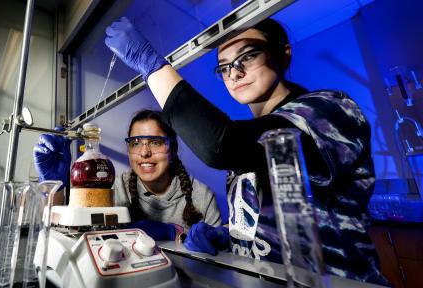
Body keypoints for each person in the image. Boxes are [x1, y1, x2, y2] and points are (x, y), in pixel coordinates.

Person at [104, 17, 387, 284]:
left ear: (283, 53)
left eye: (248, 56)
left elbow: (220, 145)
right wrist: (230, 236)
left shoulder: (328, 110)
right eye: (224, 66)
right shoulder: (248, 144)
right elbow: (263, 222)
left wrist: (149, 63)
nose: (235, 73)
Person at [33, 110, 221, 241]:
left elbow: (222, 263)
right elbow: (66, 234)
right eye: (136, 142)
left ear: (173, 150)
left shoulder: (202, 197)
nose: (145, 153)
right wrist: (54, 184)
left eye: (156, 142)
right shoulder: (112, 188)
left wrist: (179, 233)